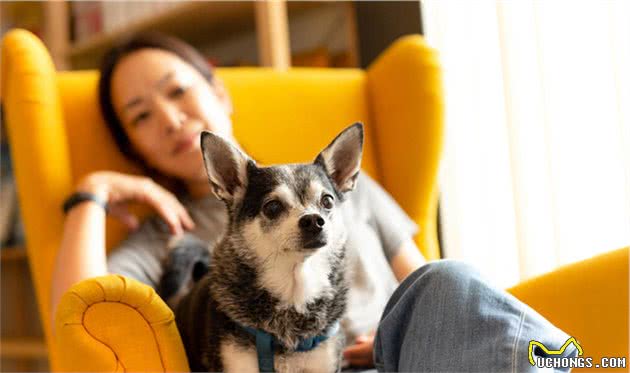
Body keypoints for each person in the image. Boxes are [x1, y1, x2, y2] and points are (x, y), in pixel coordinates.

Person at [51, 32, 576, 372]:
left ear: (219, 91)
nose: (169, 119)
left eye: (178, 91)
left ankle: (572, 366)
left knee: (447, 280)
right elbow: (79, 317)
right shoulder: (167, 231)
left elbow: (424, 280)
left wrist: (401, 334)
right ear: (131, 146)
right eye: (140, 115)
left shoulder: (342, 185)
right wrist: (92, 195)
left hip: (411, 355)